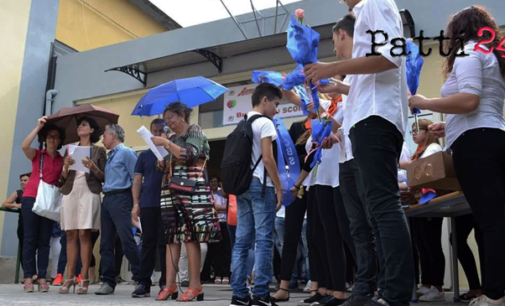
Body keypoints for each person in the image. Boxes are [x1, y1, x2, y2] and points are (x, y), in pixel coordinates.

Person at [307, 0, 415, 304]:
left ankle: (395, 293)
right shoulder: (371, 8)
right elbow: (374, 73)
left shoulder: (374, 3)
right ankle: (386, 289)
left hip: (376, 119)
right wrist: (340, 86)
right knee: (378, 212)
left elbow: (390, 56)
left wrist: (333, 68)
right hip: (373, 119)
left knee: (382, 208)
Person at [408, 6, 505, 306]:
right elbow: (480, 104)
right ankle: (496, 291)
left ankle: (493, 294)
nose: (446, 40)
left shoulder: (468, 53)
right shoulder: (489, 54)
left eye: (449, 34)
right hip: (491, 138)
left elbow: (469, 100)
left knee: (491, 222)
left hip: (476, 145)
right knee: (496, 220)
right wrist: (446, 125)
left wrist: (425, 100)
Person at [151, 102, 221, 302]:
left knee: (191, 236)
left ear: (182, 115)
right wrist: (161, 160)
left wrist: (166, 145)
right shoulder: (172, 138)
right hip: (170, 189)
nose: (168, 123)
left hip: (191, 188)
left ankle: (195, 285)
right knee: (171, 236)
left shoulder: (195, 131)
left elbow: (189, 154)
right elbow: (168, 162)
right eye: (166, 120)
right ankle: (170, 285)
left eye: (170, 118)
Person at [228, 83, 283, 306]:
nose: (277, 110)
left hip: (241, 187)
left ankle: (239, 294)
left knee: (242, 242)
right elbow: (268, 159)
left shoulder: (241, 124)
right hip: (261, 185)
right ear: (264, 101)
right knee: (264, 240)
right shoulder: (265, 123)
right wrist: (279, 187)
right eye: (276, 104)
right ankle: (261, 294)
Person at [59, 116, 106, 294]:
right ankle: (69, 277)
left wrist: (94, 168)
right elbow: (63, 178)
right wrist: (65, 167)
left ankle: (84, 277)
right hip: (70, 191)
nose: (80, 127)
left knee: (84, 234)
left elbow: (104, 177)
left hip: (89, 191)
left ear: (92, 130)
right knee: (70, 233)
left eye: (84, 125)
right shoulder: (70, 149)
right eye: (79, 125)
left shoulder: (99, 150)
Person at [400, 119, 445, 302]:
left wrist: (401, 164)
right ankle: (426, 283)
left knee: (431, 242)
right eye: (412, 131)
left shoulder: (433, 149)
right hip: (418, 201)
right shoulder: (418, 152)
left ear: (429, 132)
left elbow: (422, 170)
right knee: (421, 243)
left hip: (431, 200)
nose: (414, 133)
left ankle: (438, 287)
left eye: (418, 130)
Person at [95, 124, 141, 296]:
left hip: (122, 198)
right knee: (105, 243)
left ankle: (141, 277)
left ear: (113, 135)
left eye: (104, 135)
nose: (102, 139)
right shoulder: (111, 156)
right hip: (107, 199)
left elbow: (136, 179)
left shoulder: (127, 153)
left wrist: (135, 203)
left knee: (126, 240)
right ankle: (108, 280)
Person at [20, 116, 65, 293]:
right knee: (30, 239)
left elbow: (64, 180)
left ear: (60, 140)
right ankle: (28, 276)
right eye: (49, 136)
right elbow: (24, 146)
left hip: (49, 202)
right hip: (31, 197)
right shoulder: (38, 155)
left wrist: (67, 167)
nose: (52, 139)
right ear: (45, 139)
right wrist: (38, 127)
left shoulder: (62, 159)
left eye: (56, 137)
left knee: (44, 241)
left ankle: (42, 277)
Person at [131, 118, 167, 298]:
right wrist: (135, 204)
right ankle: (143, 283)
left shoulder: (171, 152)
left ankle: (165, 284)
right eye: (155, 131)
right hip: (148, 203)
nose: (158, 134)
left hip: (167, 204)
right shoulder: (144, 156)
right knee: (147, 244)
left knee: (164, 245)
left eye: (161, 130)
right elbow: (137, 180)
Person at [2, 173, 30, 274]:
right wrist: (17, 205)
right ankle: (28, 274)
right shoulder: (18, 193)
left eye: (25, 180)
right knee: (24, 247)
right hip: (23, 224)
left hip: (35, 224)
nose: (22, 182)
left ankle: (36, 274)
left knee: (35, 247)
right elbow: (5, 204)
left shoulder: (36, 192)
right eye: (21, 180)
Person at [209, 176, 231, 285]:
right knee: (217, 251)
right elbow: (214, 208)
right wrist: (223, 208)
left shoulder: (228, 195)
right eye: (212, 182)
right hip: (216, 223)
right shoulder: (212, 195)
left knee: (227, 250)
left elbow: (229, 207)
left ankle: (226, 274)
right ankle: (218, 274)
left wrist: (221, 208)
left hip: (227, 222)